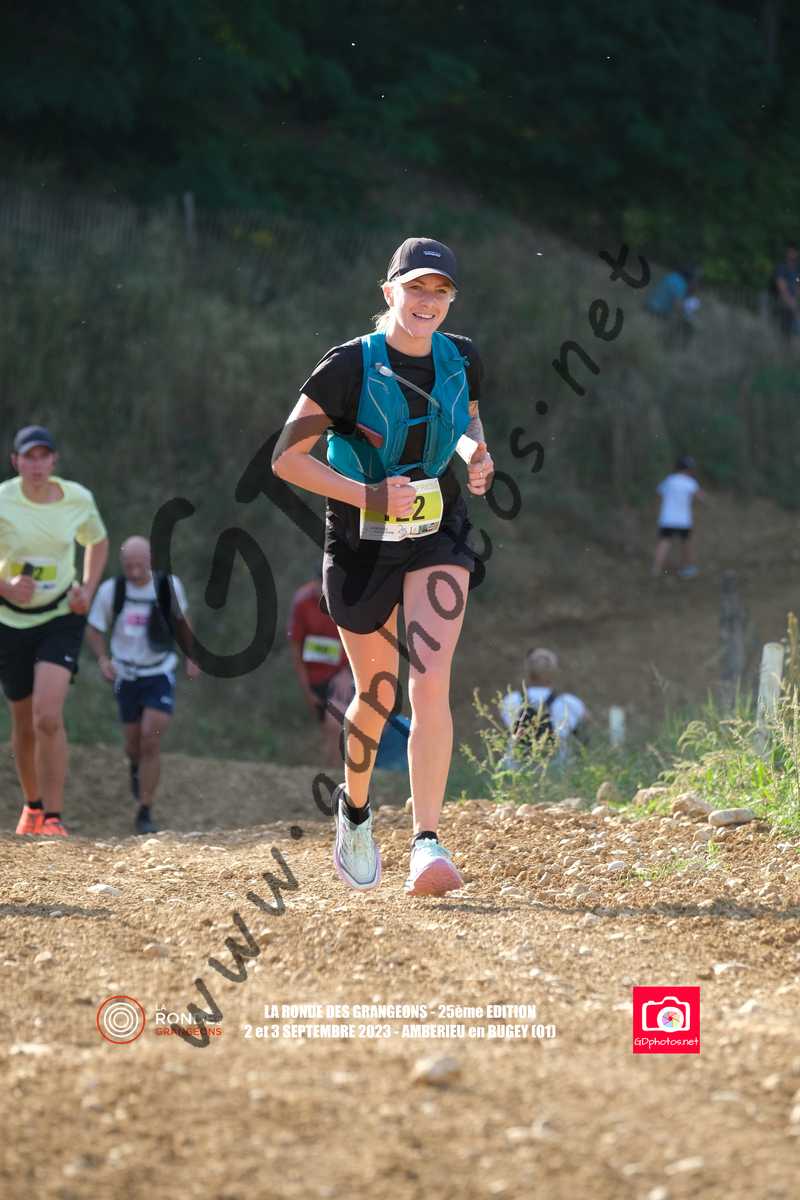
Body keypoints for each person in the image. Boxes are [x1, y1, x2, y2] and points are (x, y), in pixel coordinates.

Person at [272, 236, 493, 897]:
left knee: (430, 679)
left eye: (440, 291)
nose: (428, 301)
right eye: (416, 287)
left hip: (438, 532)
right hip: (361, 542)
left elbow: (467, 422)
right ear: (389, 291)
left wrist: (477, 457)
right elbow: (287, 459)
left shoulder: (462, 357)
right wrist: (368, 494)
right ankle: (357, 811)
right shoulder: (347, 366)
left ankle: (427, 841)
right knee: (378, 694)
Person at [0, 426, 109, 836]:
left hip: (61, 615)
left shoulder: (77, 498)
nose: (36, 464)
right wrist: (6, 586)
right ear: (15, 461)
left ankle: (54, 818)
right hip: (10, 619)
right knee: (23, 720)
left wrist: (88, 590)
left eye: (43, 456)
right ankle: (32, 806)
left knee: (47, 716)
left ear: (54, 461)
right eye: (28, 457)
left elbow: (97, 541)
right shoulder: (3, 499)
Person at [86, 536, 200, 834]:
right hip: (125, 675)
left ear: (151, 561)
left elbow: (182, 621)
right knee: (133, 744)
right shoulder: (112, 590)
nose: (135, 571)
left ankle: (145, 810)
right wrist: (103, 659)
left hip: (159, 671)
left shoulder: (168, 587)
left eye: (140, 565)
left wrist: (192, 655)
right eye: (129, 566)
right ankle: (136, 767)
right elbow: (95, 628)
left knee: (151, 737)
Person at [287, 571, 357, 766]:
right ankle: (329, 767)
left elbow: (360, 642)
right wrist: (307, 691)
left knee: (335, 723)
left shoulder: (346, 601)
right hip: (313, 677)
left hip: (340, 675)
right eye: (322, 585)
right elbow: (296, 651)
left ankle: (340, 772)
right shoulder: (302, 603)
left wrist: (347, 672)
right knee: (327, 730)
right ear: (315, 582)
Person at [500, 648, 588, 766]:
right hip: (556, 770)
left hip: (517, 770)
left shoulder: (510, 700)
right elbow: (586, 725)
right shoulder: (568, 703)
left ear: (528, 672)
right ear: (554, 673)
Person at [652, 455, 707, 578]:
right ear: (688, 469)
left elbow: (659, 493)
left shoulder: (669, 480)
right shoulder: (690, 482)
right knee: (686, 543)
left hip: (667, 518)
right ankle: (687, 568)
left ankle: (656, 569)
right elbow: (701, 497)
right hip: (683, 520)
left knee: (664, 542)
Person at [770, 243, 799, 339]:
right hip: (782, 300)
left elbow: (798, 285)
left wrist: (796, 300)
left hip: (793, 301)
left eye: (794, 251)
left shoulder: (796, 271)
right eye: (790, 251)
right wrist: (791, 302)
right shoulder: (782, 268)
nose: (792, 254)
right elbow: (781, 287)